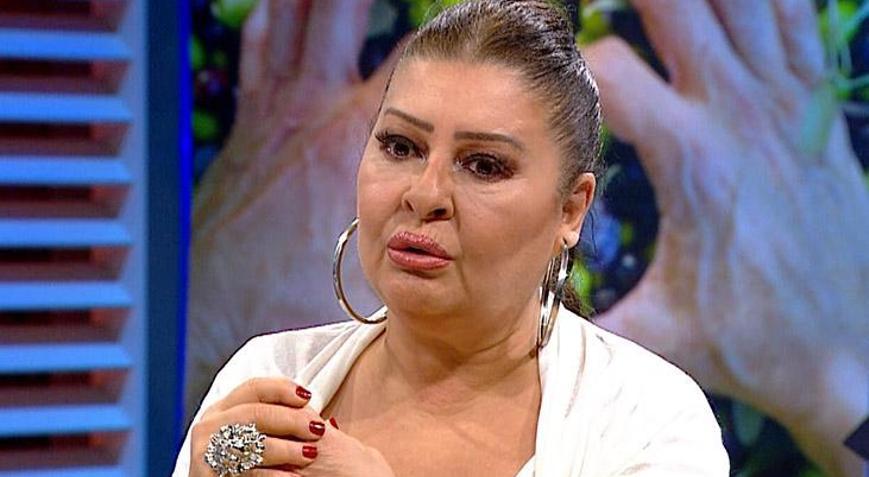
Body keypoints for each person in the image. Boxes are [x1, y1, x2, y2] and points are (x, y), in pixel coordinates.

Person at [187, 0, 868, 475]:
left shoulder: (649, 418)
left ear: (571, 211)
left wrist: (837, 380)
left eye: (484, 165)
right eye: (399, 145)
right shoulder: (267, 376)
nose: (424, 194)